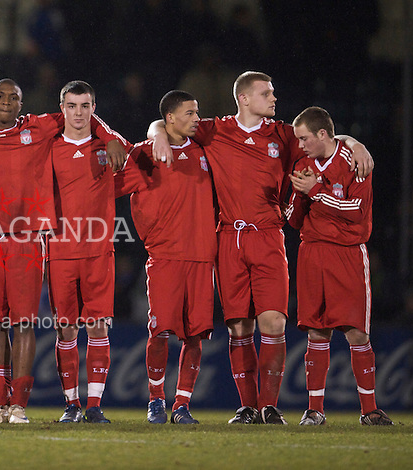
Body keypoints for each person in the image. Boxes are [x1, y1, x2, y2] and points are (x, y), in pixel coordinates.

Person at [148, 71, 374, 424]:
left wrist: (353, 141)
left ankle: (269, 406)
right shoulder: (216, 130)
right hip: (228, 238)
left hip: (269, 235)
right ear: (244, 99)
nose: (274, 98)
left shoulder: (282, 135)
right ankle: (248, 407)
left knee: (273, 322)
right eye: (266, 93)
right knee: (239, 328)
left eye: (273, 93)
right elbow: (168, 123)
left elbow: (322, 140)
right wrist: (157, 133)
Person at [0, 78, 126, 424]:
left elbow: (81, 115)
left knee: (23, 323)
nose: (6, 101)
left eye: (14, 97)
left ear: (23, 105)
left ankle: (19, 405)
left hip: (28, 238)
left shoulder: (37, 128)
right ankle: (1, 403)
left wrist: (110, 137)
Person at [286, 106, 392, 426]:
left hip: (346, 253)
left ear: (322, 134)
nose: (300, 145)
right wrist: (300, 197)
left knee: (357, 333)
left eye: (304, 138)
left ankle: (369, 409)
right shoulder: (303, 165)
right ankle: (315, 410)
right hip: (311, 253)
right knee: (317, 333)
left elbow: (356, 210)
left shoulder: (356, 161)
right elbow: (293, 219)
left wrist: (315, 191)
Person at [116, 90, 217, 425]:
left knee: (196, 335)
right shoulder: (145, 154)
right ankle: (156, 399)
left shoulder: (205, 149)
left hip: (203, 257)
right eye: (189, 113)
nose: (196, 119)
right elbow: (110, 187)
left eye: (197, 112)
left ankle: (182, 404)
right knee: (159, 332)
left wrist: (156, 129)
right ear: (171, 117)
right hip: (165, 256)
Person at [48, 81, 130, 424]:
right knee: (65, 330)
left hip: (99, 252)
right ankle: (71, 405)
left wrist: (109, 135)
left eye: (85, 105)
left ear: (94, 108)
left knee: (98, 327)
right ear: (62, 109)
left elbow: (131, 157)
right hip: (60, 251)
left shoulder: (109, 146)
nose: (78, 113)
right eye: (72, 105)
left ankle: (94, 406)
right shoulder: (48, 148)